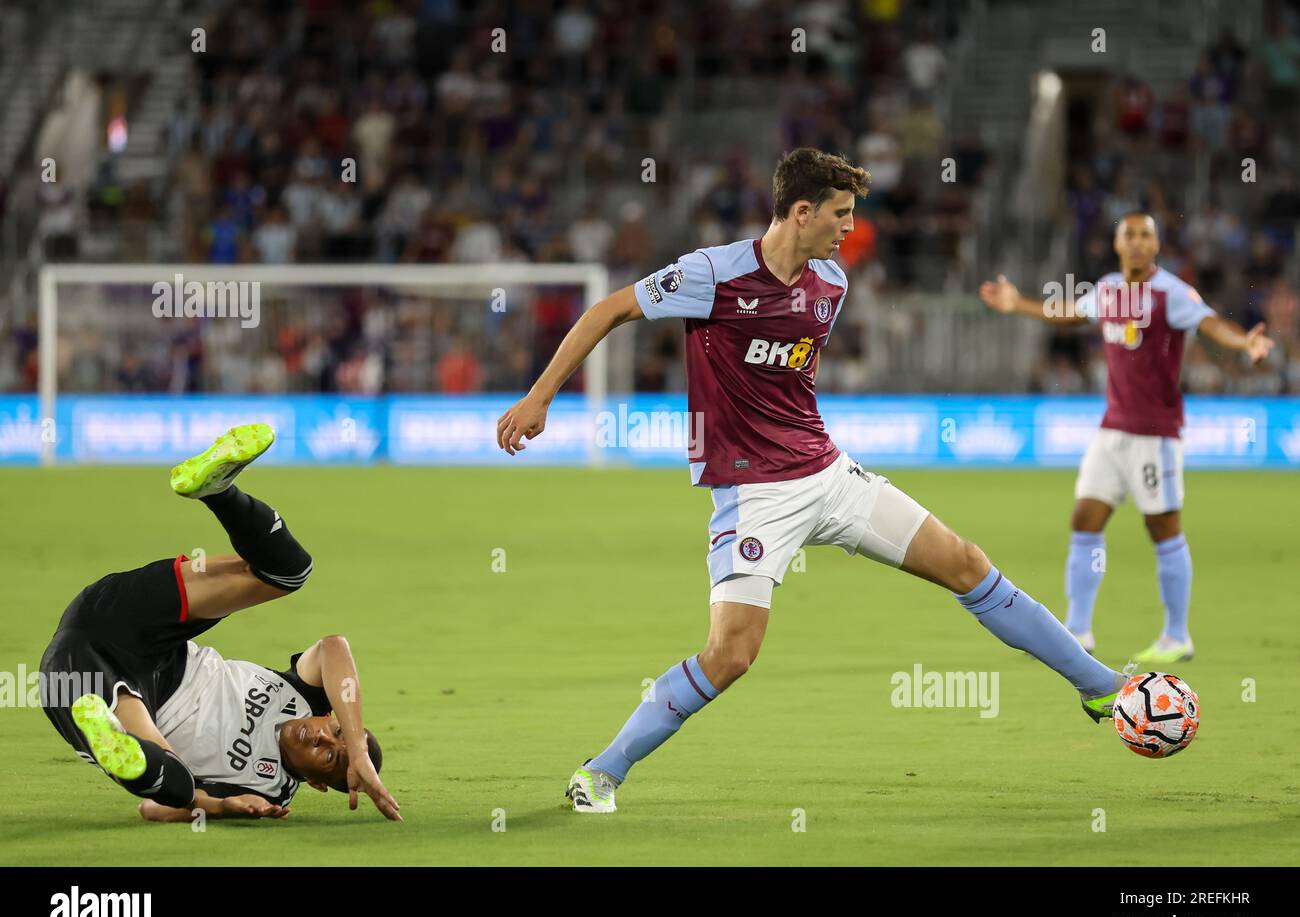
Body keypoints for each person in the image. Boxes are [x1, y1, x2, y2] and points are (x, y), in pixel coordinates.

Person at [497, 147, 1130, 814]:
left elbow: (789, 377)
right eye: (841, 214)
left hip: (829, 475)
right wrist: (540, 397)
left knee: (966, 563)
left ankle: (1101, 687)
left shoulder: (832, 282)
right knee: (731, 654)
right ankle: (601, 771)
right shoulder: (711, 273)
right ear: (802, 212)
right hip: (754, 496)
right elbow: (608, 312)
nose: (851, 228)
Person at [39, 424, 401, 822]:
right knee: (289, 571)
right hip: (133, 625)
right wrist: (356, 745)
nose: (319, 737)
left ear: (315, 782)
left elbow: (152, 809)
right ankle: (217, 489)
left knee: (175, 781)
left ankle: (110, 738)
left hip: (90, 686)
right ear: (328, 717)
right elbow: (334, 646)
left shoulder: (269, 788)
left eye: (329, 757)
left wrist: (222, 806)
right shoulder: (301, 696)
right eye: (333, 733)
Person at [979, 213, 1274, 663]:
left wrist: (1244, 344)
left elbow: (1210, 322)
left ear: (1156, 246)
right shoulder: (1110, 288)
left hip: (1154, 435)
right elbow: (1069, 315)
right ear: (1117, 244)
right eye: (1129, 235)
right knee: (1085, 519)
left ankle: (1177, 635)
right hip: (1112, 430)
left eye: (1145, 236)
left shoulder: (1170, 293)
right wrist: (1016, 303)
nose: (1137, 243)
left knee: (1162, 528)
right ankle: (1078, 630)